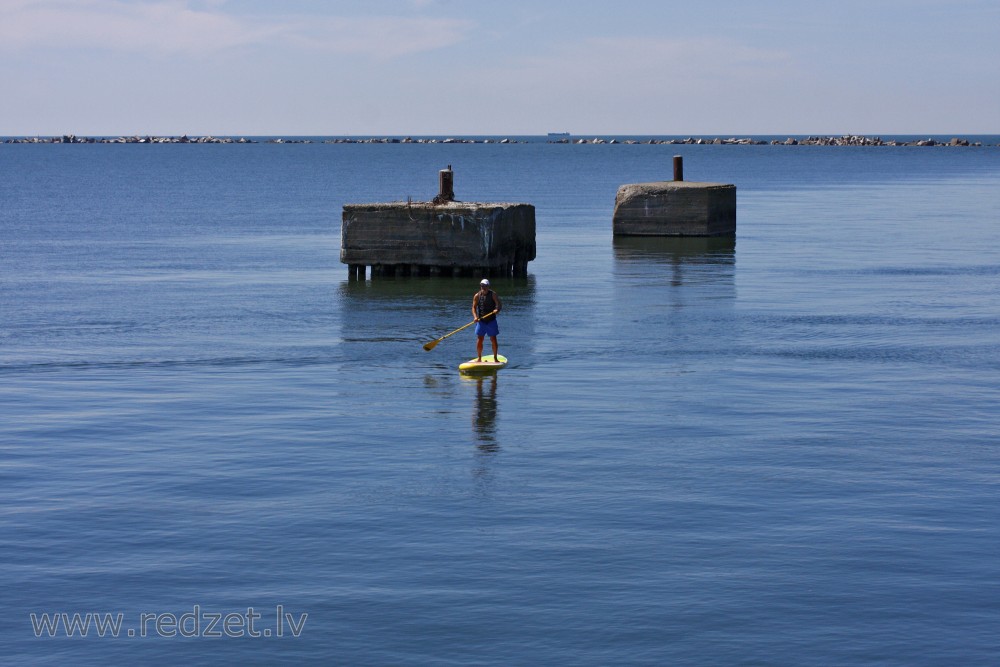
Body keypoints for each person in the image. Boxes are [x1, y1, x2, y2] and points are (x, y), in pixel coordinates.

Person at [472, 278, 502, 362]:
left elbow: (499, 305)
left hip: (491, 320)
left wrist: (497, 309)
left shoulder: (493, 294)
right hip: (481, 321)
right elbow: (473, 307)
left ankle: (495, 358)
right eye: (482, 285)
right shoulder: (477, 296)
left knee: (493, 339)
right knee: (480, 339)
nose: (483, 287)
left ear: (488, 286)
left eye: (485, 286)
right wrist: (475, 317)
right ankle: (479, 358)